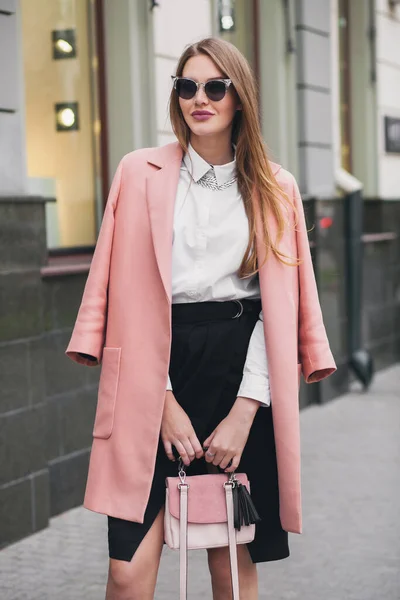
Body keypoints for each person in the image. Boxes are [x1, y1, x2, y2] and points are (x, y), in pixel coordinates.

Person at [66, 37, 336, 600]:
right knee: (127, 571)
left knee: (230, 565)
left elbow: (279, 307)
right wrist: (159, 400)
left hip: (240, 371)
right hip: (152, 371)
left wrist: (245, 409)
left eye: (216, 86)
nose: (200, 98)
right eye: (187, 86)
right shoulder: (138, 173)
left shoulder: (274, 186)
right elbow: (117, 293)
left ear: (241, 98)